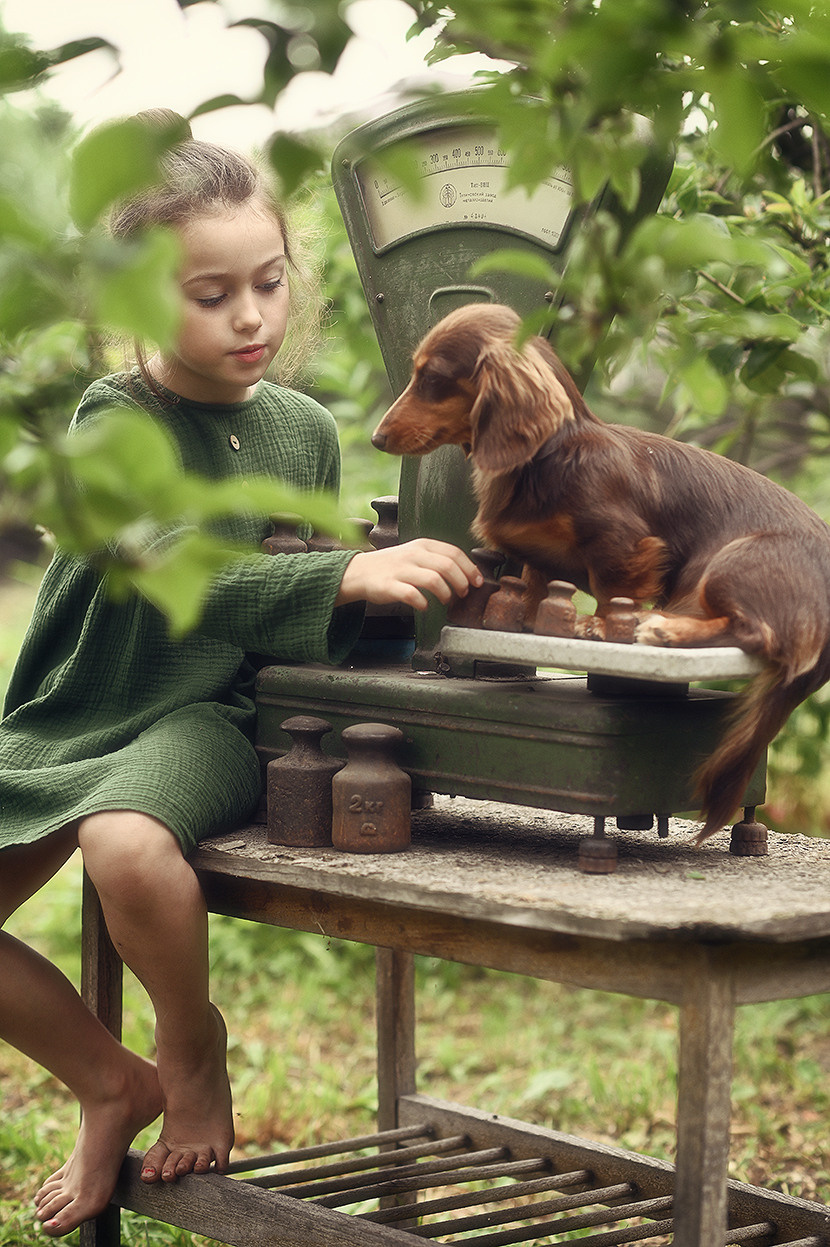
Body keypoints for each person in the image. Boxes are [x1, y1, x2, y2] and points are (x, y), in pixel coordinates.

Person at [0, 111, 481, 1238]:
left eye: (265, 281)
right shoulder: (114, 415)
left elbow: (294, 599)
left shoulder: (304, 429)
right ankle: (108, 1078)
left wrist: (394, 602)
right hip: (79, 704)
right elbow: (172, 567)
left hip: (203, 710)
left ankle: (187, 1042)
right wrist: (349, 574)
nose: (251, 314)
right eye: (208, 294)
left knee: (125, 839)